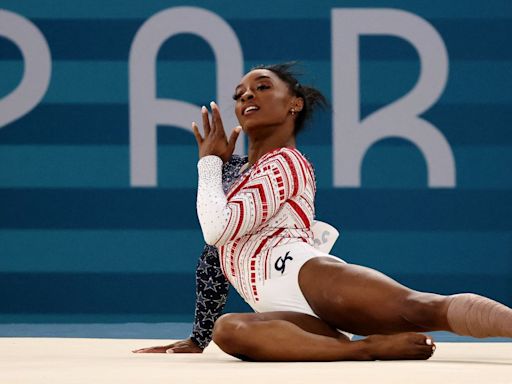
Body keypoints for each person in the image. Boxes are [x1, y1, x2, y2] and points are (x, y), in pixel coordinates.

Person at [134, 63, 512, 361]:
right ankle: (363, 349)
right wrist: (199, 337)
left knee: (425, 308)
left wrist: (208, 167)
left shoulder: (285, 163)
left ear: (293, 104)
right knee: (228, 330)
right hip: (283, 315)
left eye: (263, 86)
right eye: (239, 93)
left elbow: (215, 228)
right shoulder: (236, 174)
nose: (247, 94)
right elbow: (214, 258)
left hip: (308, 277)